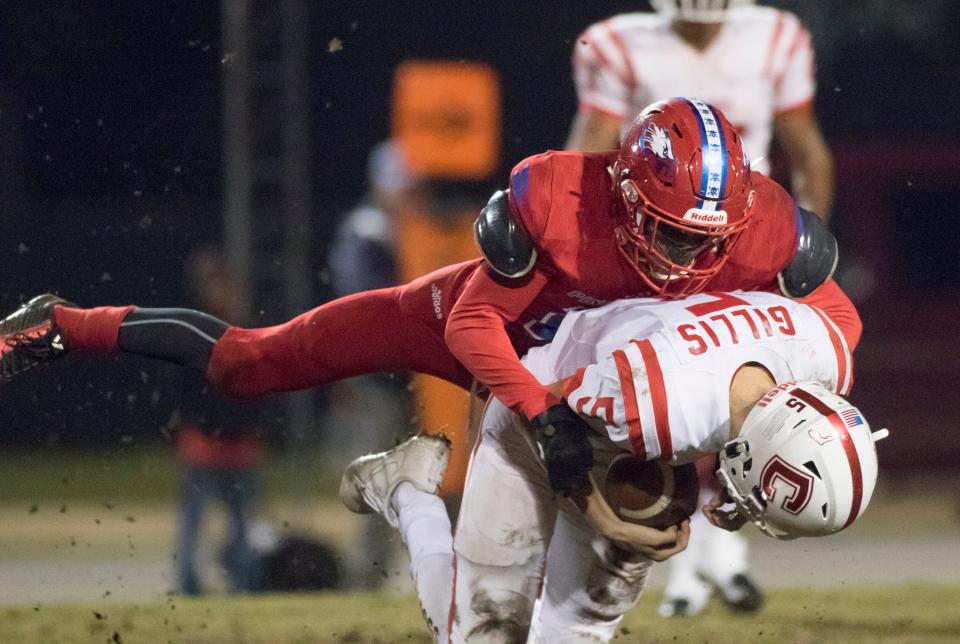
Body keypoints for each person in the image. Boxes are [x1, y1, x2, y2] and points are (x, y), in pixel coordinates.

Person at [0, 97, 837, 591]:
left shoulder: (766, 231)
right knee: (247, 363)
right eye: (670, 233)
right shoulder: (562, 199)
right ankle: (64, 324)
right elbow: (476, 320)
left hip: (587, 372)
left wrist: (758, 442)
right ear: (623, 193)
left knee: (616, 519)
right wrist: (540, 412)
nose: (691, 258)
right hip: (484, 333)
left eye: (708, 240)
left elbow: (833, 322)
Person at [341, 284, 885, 642]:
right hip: (545, 404)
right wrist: (605, 517)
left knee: (575, 631)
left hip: (637, 411)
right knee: (486, 632)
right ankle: (406, 491)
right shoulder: (658, 401)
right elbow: (546, 421)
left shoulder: (826, 354)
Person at [567, 0, 836, 614]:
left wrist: (805, 247)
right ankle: (685, 568)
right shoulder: (617, 43)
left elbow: (808, 154)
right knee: (679, 406)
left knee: (750, 399)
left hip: (747, 244)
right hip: (659, 245)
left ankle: (727, 557)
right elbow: (589, 161)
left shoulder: (776, 36)